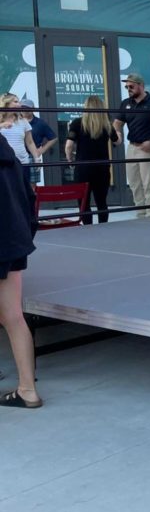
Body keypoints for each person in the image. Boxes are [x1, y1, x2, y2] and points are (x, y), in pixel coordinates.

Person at [0, 132, 42, 408]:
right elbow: (30, 198)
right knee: (14, 318)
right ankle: (28, 388)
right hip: (13, 243)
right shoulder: (10, 157)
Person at [112, 74, 150, 218]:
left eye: (131, 86)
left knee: (149, 184)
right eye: (126, 87)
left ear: (141, 85)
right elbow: (117, 122)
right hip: (132, 147)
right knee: (134, 184)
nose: (128, 89)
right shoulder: (126, 103)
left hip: (149, 148)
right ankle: (141, 213)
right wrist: (117, 134)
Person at [66, 95, 118, 225]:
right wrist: (119, 132)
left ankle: (88, 228)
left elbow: (69, 145)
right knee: (101, 201)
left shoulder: (77, 123)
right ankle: (103, 227)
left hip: (83, 167)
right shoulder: (106, 124)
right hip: (102, 167)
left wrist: (70, 159)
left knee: (84, 202)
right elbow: (117, 141)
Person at [0, 94, 40, 191]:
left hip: (22, 162)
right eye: (15, 102)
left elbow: (30, 142)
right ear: (6, 104)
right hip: (4, 163)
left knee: (23, 191)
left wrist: (36, 158)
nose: (19, 104)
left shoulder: (23, 121)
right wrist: (2, 126)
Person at [20, 99, 57, 183]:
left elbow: (53, 138)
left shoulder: (40, 123)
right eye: (22, 107)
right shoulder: (15, 122)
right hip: (17, 155)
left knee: (32, 184)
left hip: (32, 155)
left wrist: (41, 150)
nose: (24, 110)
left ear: (33, 109)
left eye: (27, 108)